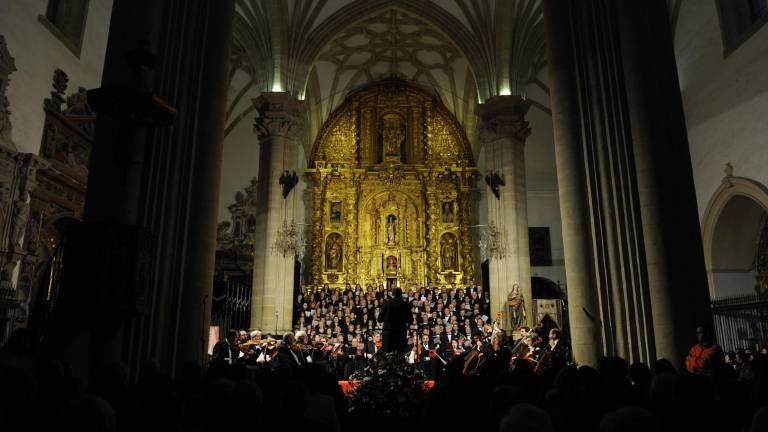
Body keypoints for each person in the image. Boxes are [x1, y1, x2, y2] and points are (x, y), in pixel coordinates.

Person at [377, 287, 411, 354]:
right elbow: (410, 320)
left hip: (388, 334)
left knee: (387, 356)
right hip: (400, 335)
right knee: (399, 356)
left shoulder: (386, 303)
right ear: (401, 294)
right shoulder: (405, 304)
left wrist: (386, 319)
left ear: (392, 294)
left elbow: (379, 319)